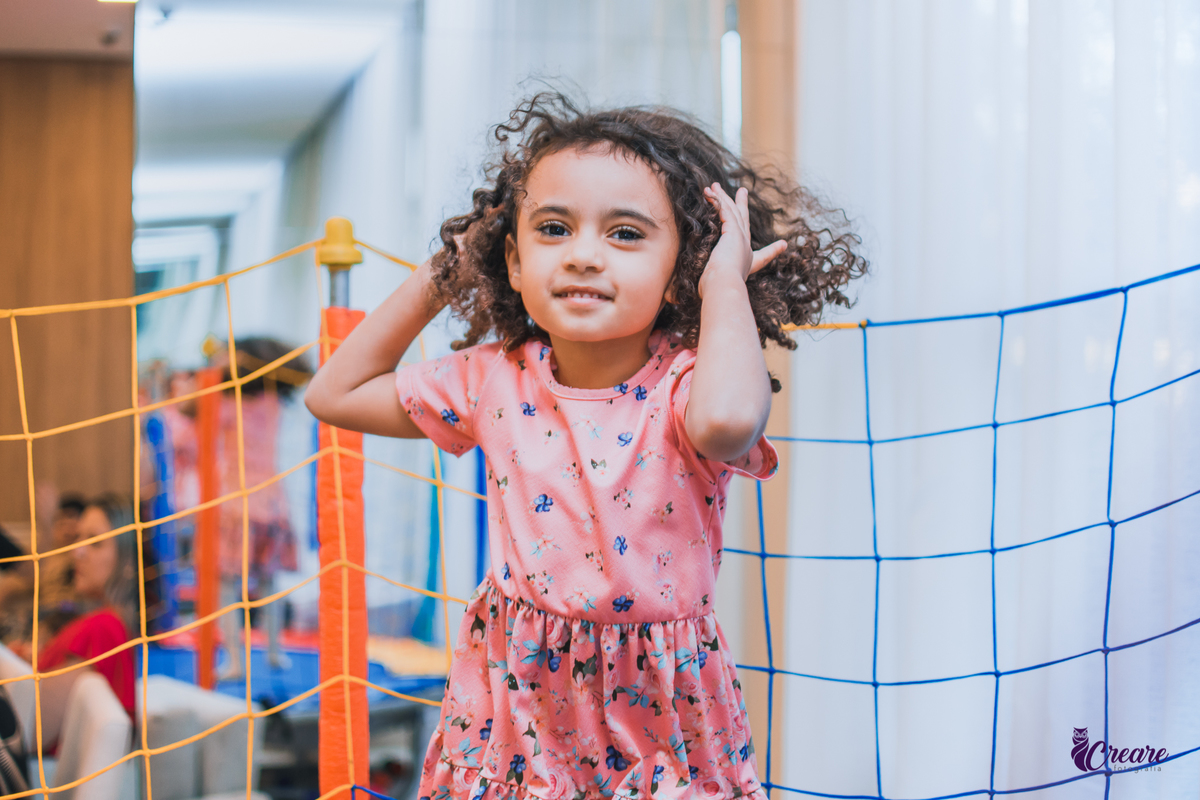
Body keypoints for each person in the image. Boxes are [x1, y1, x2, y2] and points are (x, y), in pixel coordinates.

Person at [304, 93, 867, 800]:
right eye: (552, 228)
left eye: (626, 234)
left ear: (682, 269)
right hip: (521, 691)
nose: (582, 255)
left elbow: (728, 425)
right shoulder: (494, 377)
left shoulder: (686, 386)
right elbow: (334, 394)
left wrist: (725, 282)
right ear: (514, 260)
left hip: (657, 697)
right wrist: (445, 275)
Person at [212, 337, 309, 678]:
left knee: (227, 584)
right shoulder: (271, 401)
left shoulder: (225, 404)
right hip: (270, 502)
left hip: (238, 502)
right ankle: (273, 652)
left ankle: (235, 661)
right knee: (269, 580)